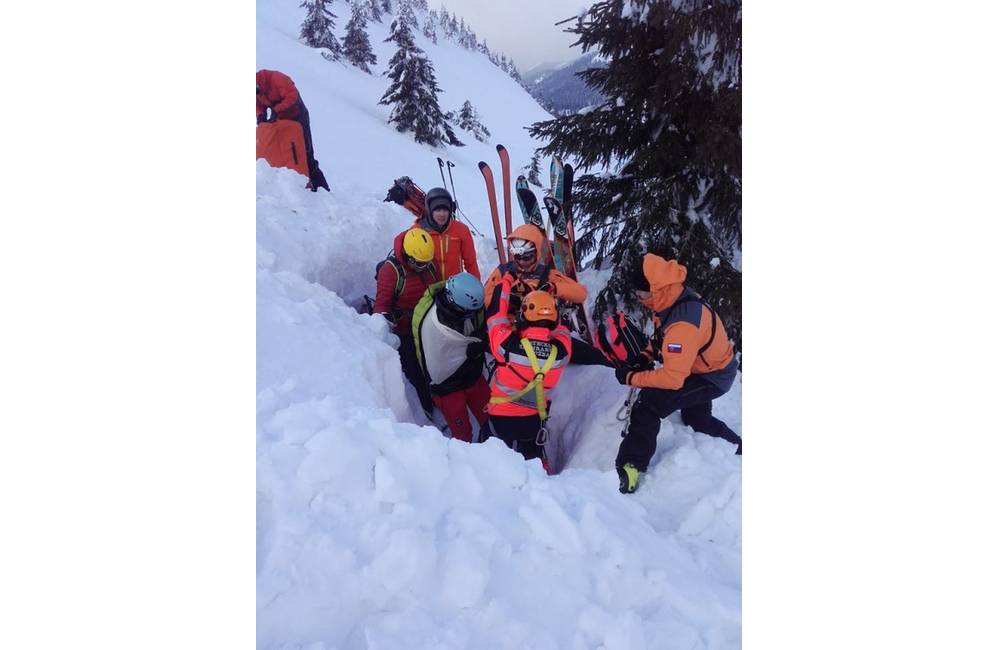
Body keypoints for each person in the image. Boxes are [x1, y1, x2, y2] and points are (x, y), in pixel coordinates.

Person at [614, 253, 741, 494]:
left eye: (641, 294)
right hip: (702, 367)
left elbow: (672, 378)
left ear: (656, 289)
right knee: (696, 418)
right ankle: (739, 446)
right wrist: (645, 356)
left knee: (649, 404)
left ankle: (631, 465)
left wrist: (631, 378)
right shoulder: (672, 297)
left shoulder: (683, 324)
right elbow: (662, 335)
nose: (638, 298)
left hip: (712, 377)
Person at [483, 224, 610, 367]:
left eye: (527, 257)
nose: (522, 261)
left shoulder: (546, 273)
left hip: (543, 334)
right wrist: (508, 296)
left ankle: (616, 374)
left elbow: (581, 294)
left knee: (594, 356)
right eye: (518, 256)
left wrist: (554, 288)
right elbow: (485, 298)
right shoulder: (504, 272)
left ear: (536, 252)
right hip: (509, 333)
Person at [485, 282, 573, 473]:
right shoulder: (562, 353)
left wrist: (505, 282)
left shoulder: (506, 346)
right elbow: (562, 330)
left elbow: (495, 317)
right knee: (534, 463)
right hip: (533, 422)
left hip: (500, 421)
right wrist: (548, 305)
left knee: (489, 463)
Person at [411, 273, 491, 442]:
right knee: (462, 435)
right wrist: (470, 348)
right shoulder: (434, 321)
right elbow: (437, 357)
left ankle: (491, 442)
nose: (472, 315)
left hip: (472, 376)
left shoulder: (466, 308)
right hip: (448, 388)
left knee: (491, 418)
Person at [372, 227, 439, 419]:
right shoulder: (391, 271)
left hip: (428, 326)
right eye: (419, 264)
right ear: (408, 256)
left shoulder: (427, 263)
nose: (423, 267)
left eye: (426, 263)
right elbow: (381, 308)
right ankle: (425, 408)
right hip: (405, 331)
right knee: (416, 370)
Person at [256, 69, 330, 192]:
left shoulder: (277, 79)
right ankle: (289, 185)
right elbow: (258, 104)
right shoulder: (257, 90)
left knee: (306, 154)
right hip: (279, 117)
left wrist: (277, 109)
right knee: (279, 150)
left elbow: (293, 96)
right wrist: (260, 116)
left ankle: (322, 190)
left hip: (298, 116)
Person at [414, 187, 480, 282]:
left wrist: (476, 285)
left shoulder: (462, 230)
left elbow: (471, 263)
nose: (442, 214)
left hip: (455, 286)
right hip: (428, 287)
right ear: (430, 210)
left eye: (445, 210)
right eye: (437, 210)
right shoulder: (417, 231)